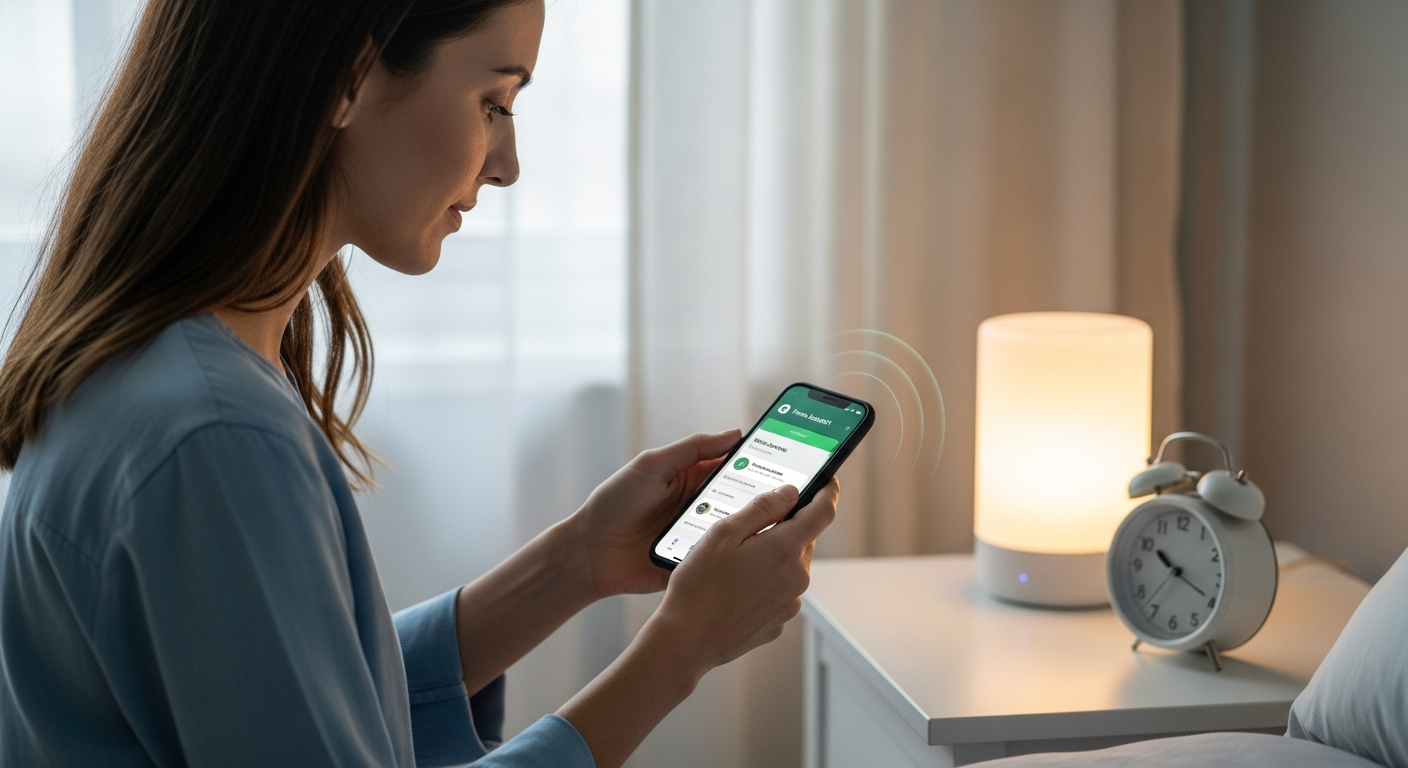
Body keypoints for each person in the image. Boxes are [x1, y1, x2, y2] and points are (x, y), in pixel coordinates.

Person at [0, 1, 838, 766]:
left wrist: (578, 560)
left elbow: (299, 698)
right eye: (494, 102)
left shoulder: (164, 374)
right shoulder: (216, 436)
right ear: (347, 79)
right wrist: (679, 652)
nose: (507, 163)